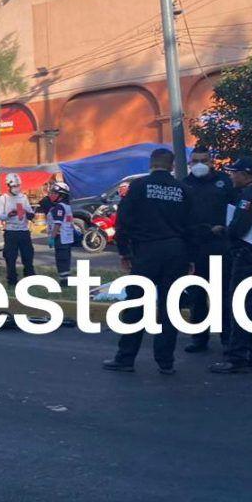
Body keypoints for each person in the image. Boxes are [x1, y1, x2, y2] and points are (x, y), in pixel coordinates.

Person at [103, 148, 193, 375]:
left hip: (146, 252)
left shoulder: (139, 187)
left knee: (136, 305)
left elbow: (123, 222)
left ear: (151, 164)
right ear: (172, 166)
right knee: (169, 307)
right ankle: (166, 362)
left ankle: (125, 359)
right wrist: (190, 256)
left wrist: (124, 252)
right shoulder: (183, 190)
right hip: (176, 252)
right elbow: (192, 227)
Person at [210, 156, 252, 374]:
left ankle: (235, 357)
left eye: (234, 172)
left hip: (248, 257)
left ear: (245, 174)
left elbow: (240, 227)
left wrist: (224, 231)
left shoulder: (250, 194)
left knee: (239, 306)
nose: (232, 176)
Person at [181, 145, 235, 353]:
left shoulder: (224, 182)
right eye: (195, 161)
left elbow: (234, 210)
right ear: (190, 163)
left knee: (222, 295)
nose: (200, 164)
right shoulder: (185, 185)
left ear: (211, 162)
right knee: (197, 296)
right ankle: (199, 338)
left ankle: (226, 338)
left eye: (204, 160)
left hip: (221, 246)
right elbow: (182, 219)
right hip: (196, 248)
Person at [0, 173, 35, 285]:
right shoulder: (3, 199)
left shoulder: (23, 197)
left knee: (28, 255)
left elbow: (30, 211)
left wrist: (30, 215)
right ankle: (12, 279)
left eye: (18, 186)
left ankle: (30, 277)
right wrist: (9, 215)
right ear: (8, 186)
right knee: (10, 257)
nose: (17, 188)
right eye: (14, 186)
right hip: (11, 232)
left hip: (23, 231)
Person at [45, 181, 75, 279]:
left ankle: (64, 281)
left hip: (61, 238)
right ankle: (65, 278)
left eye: (54, 193)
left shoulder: (60, 207)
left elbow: (58, 224)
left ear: (61, 195)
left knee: (61, 260)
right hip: (67, 238)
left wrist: (52, 238)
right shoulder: (67, 206)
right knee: (65, 260)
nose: (51, 195)